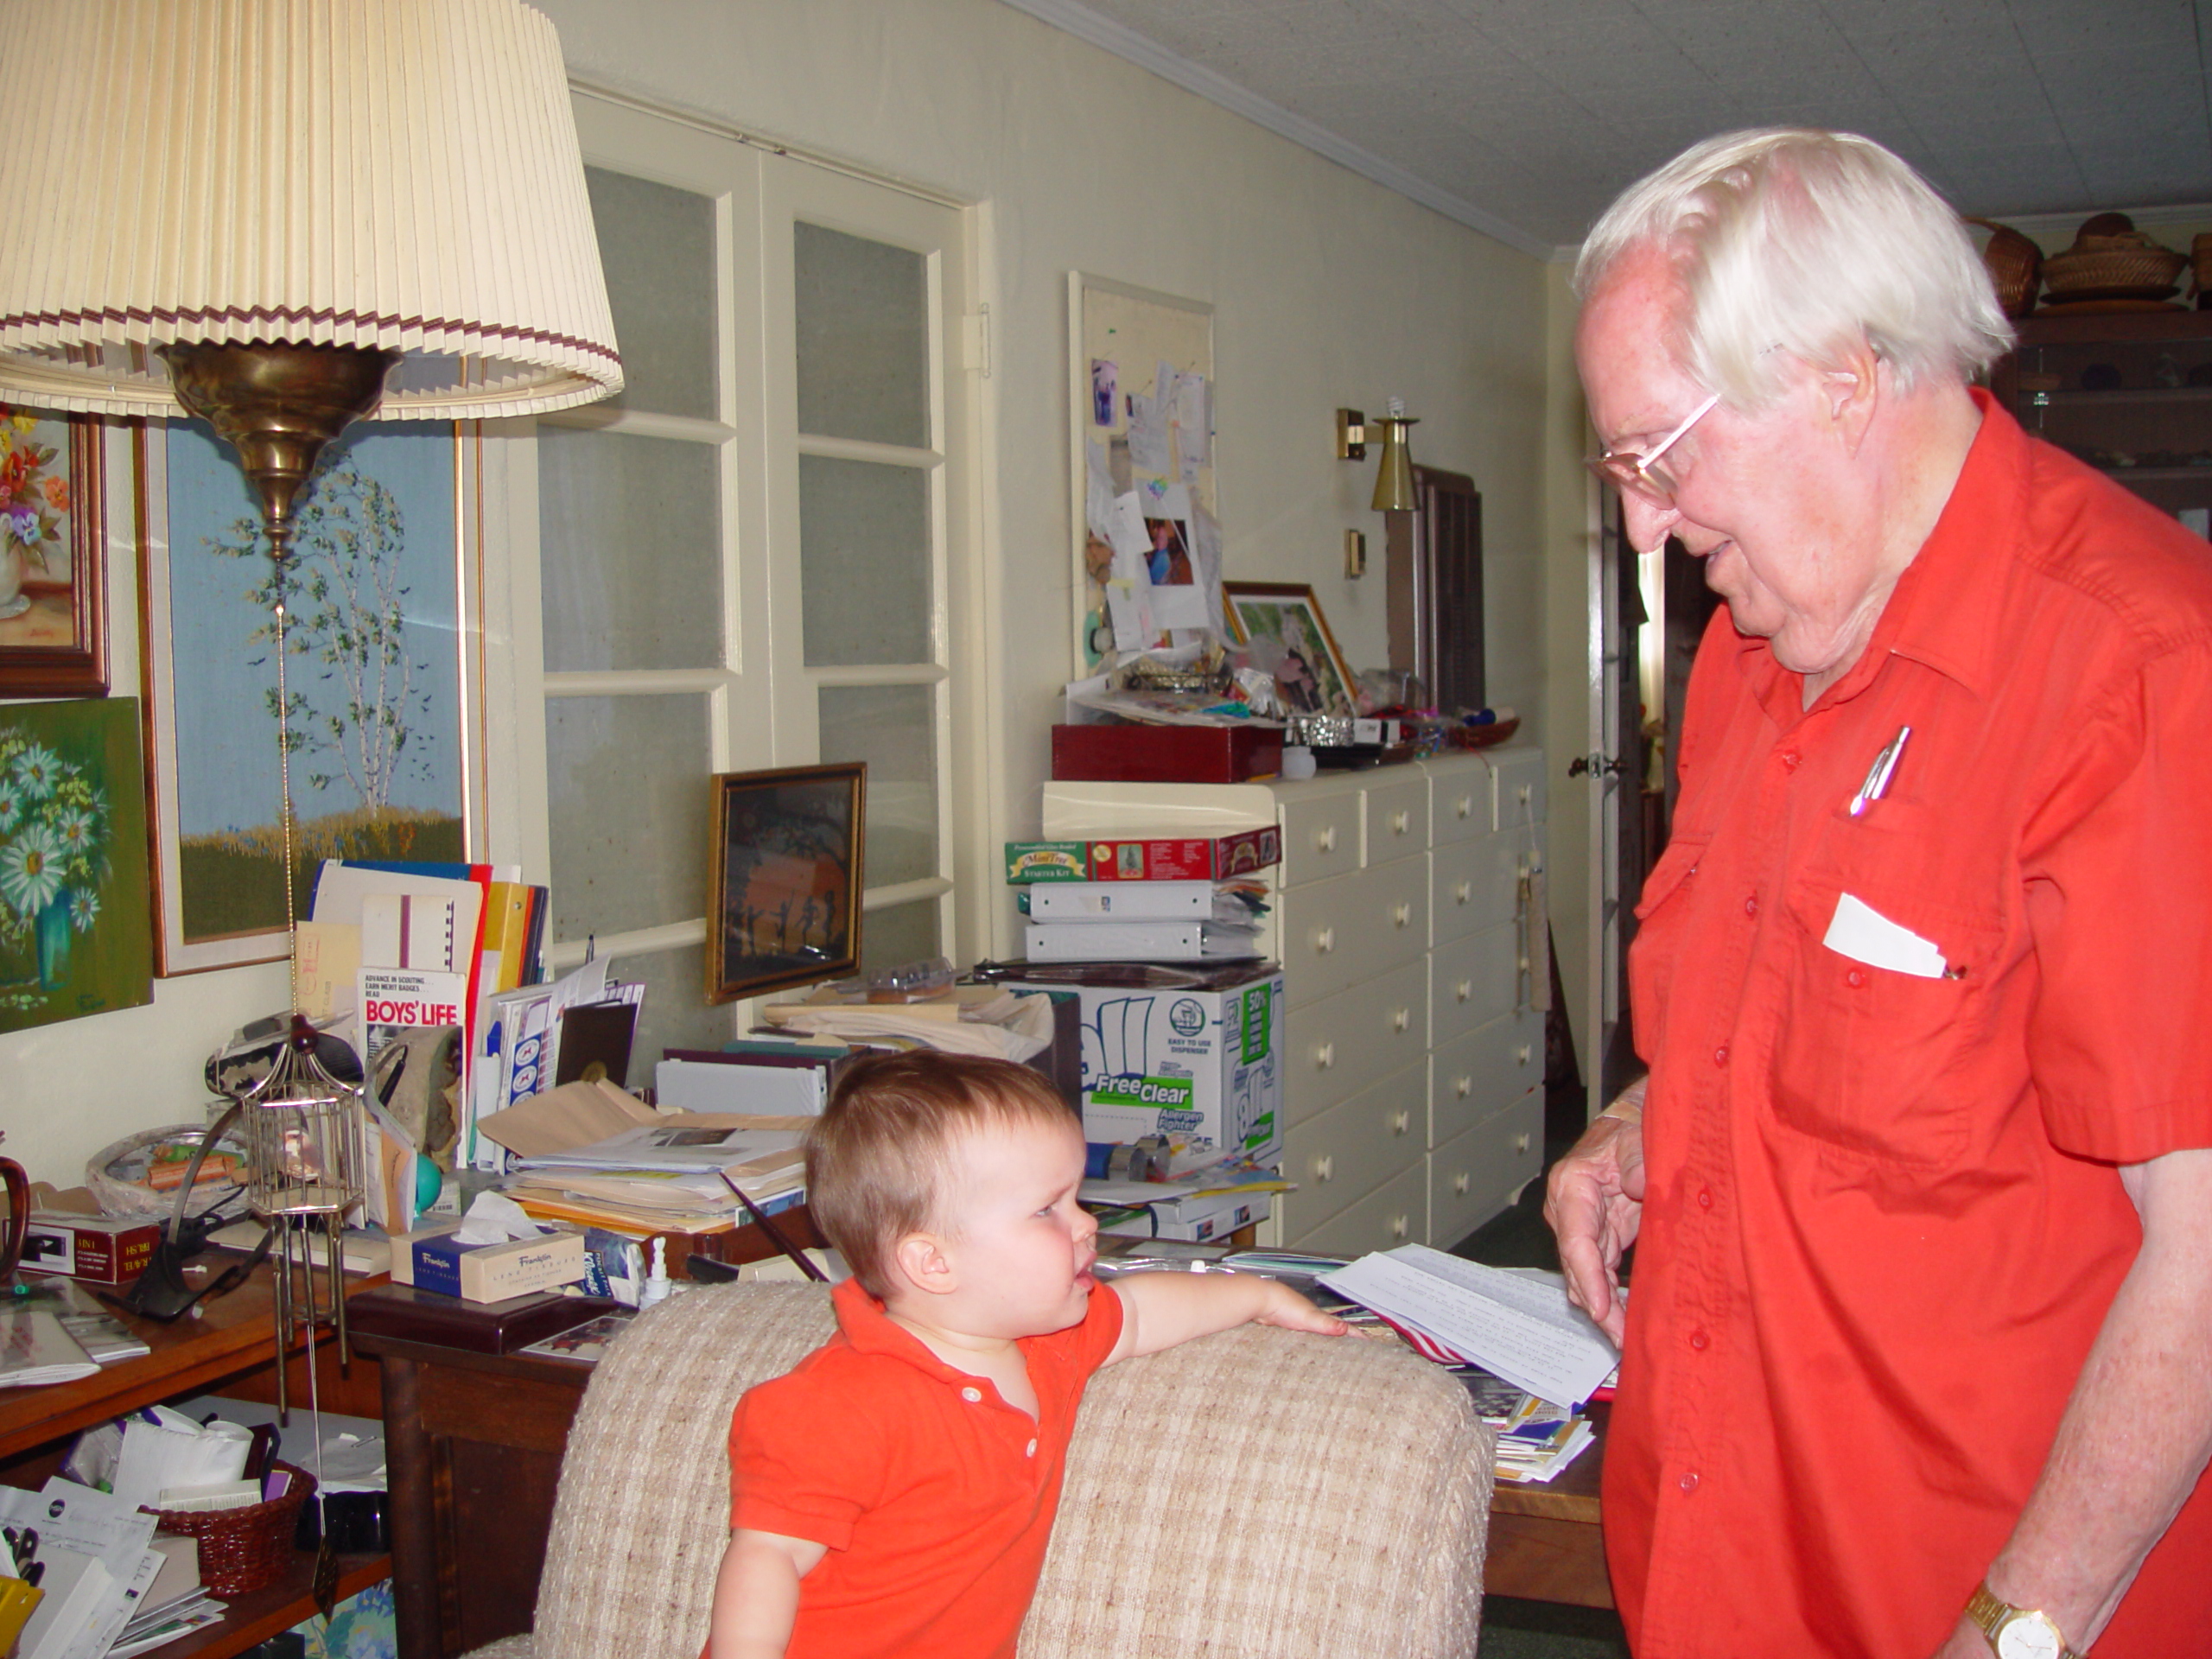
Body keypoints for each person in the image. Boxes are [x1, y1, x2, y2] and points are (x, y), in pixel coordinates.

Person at [1548, 128, 2212, 1659]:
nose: (1643, 524)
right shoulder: (1746, 658)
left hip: (1958, 1598)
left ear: (1844, 384)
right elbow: (1801, 1012)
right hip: (1717, 1561)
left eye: (1661, 455)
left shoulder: (2139, 673)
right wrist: (1641, 1116)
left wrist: (2016, 1627)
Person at [706, 1051, 1345, 1659]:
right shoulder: (839, 1403)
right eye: (1047, 1209)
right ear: (933, 1261)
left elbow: (1145, 1312)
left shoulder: (1052, 1346)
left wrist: (1258, 1295)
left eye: (1075, 1199)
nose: (1087, 1223)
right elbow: (769, 1557)